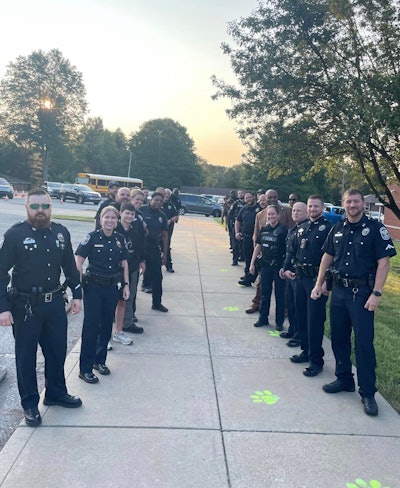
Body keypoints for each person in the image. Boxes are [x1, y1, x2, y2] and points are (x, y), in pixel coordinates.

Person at [0, 188, 83, 427]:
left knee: (57, 352)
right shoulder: (15, 235)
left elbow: (69, 266)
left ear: (50, 207)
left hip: (55, 304)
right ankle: (29, 405)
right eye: (34, 206)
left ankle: (56, 393)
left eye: (44, 206)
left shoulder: (60, 232)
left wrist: (77, 293)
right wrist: (3, 307)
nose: (40, 211)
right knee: (26, 358)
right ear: (26, 207)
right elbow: (1, 272)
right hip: (24, 307)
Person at [311, 189, 396, 416]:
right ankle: (344, 378)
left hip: (362, 295)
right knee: (339, 339)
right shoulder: (337, 228)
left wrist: (376, 294)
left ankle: (367, 392)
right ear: (343, 204)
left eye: (356, 201)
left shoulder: (376, 229)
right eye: (348, 201)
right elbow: (327, 257)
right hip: (338, 292)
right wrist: (319, 284)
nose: (352, 205)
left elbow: (384, 263)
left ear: (363, 204)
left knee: (363, 344)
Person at [75, 206, 130, 384]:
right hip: (93, 288)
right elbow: (79, 261)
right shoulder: (91, 238)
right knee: (91, 327)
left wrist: (126, 285)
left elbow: (124, 264)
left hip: (112, 288)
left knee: (106, 325)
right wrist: (78, 288)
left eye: (113, 218)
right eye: (107, 217)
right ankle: (85, 368)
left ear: (117, 220)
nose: (110, 220)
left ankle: (100, 361)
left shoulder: (120, 239)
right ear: (100, 219)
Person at [283, 195, 331, 377]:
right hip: (299, 278)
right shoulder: (301, 228)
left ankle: (316, 360)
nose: (312, 209)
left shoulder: (328, 228)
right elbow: (293, 251)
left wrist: (326, 280)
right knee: (301, 317)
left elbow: (333, 256)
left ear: (322, 207)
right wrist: (287, 269)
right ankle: (306, 351)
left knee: (315, 321)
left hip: (315, 281)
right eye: (310, 206)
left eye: (316, 206)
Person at [250, 205, 288, 330]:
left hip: (278, 267)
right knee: (265, 294)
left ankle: (279, 322)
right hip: (265, 267)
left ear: (278, 215)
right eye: (269, 214)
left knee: (279, 295)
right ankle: (263, 318)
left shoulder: (284, 230)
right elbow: (258, 246)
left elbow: (288, 251)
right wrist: (252, 263)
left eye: (273, 214)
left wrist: (285, 267)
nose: (271, 216)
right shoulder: (264, 229)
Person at [279, 202, 308, 346]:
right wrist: (284, 268)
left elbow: (300, 255)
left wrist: (292, 270)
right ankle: (292, 329)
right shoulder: (292, 229)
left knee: (298, 307)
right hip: (289, 273)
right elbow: (289, 253)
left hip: (298, 274)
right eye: (294, 210)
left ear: (306, 212)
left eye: (299, 211)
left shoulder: (306, 229)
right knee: (290, 304)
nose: (295, 213)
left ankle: (298, 336)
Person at [140, 192, 169, 312]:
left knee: (158, 277)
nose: (158, 203)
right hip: (140, 248)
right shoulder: (141, 211)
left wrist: (165, 254)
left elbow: (165, 236)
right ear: (151, 199)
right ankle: (130, 311)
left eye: (161, 201)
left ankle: (157, 303)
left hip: (153, 248)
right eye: (156, 200)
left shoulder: (162, 215)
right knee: (133, 279)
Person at [235, 192, 257, 286]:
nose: (248, 199)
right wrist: (237, 232)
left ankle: (250, 278)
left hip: (257, 238)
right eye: (246, 198)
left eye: (249, 197)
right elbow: (238, 221)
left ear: (254, 197)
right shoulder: (244, 209)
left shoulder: (260, 208)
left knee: (256, 259)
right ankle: (247, 274)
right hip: (246, 237)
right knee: (247, 258)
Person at [163, 189, 179, 273]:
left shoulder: (171, 205)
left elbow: (176, 216)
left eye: (168, 195)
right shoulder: (158, 203)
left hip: (168, 230)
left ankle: (168, 266)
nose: (166, 196)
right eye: (165, 194)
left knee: (166, 247)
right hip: (157, 231)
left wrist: (170, 220)